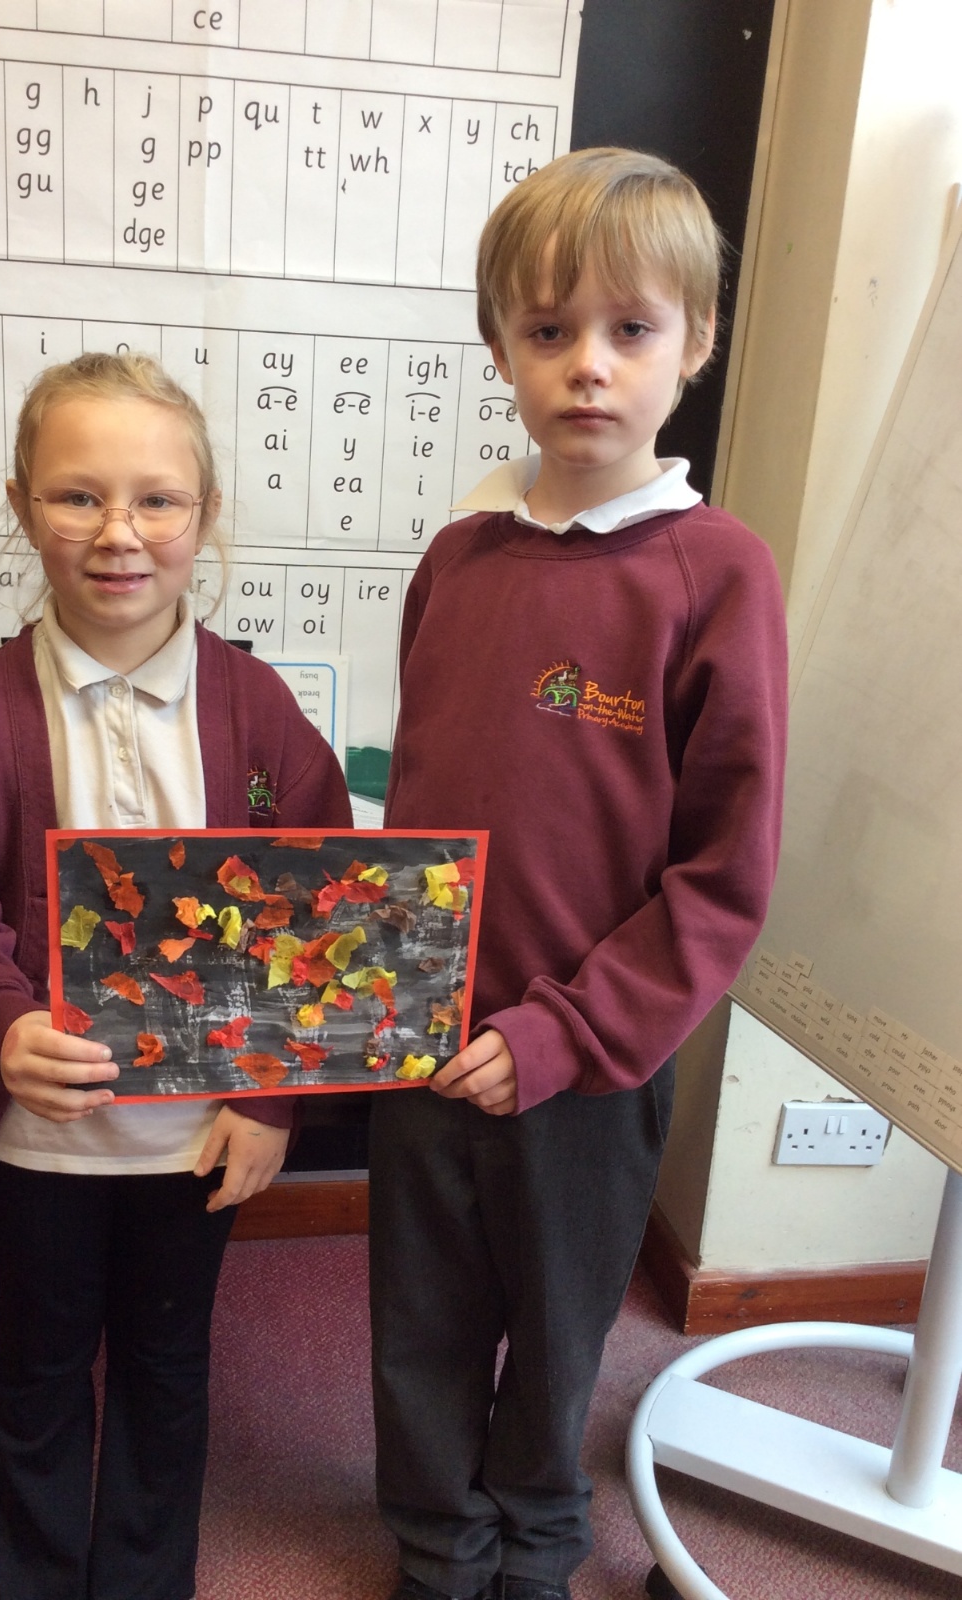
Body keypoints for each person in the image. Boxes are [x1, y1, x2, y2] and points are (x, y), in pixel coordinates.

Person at [0, 350, 352, 1600]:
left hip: (198, 1138)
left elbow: (317, 921)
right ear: (23, 504)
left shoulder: (258, 713)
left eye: (156, 499)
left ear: (206, 516)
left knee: (167, 1362)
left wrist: (269, 1100)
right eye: (78, 495)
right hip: (38, 1139)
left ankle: (143, 1580)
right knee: (37, 1360)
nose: (118, 531)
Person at [370, 148, 788, 1600]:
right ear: (499, 347)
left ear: (695, 342)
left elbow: (722, 878)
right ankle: (437, 1545)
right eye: (548, 331)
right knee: (419, 1322)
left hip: (590, 1069)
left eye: (629, 328)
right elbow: (421, 800)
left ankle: (536, 1541)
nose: (587, 367)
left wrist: (563, 1034)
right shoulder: (456, 559)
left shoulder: (715, 573)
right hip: (424, 1047)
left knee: (557, 1332)